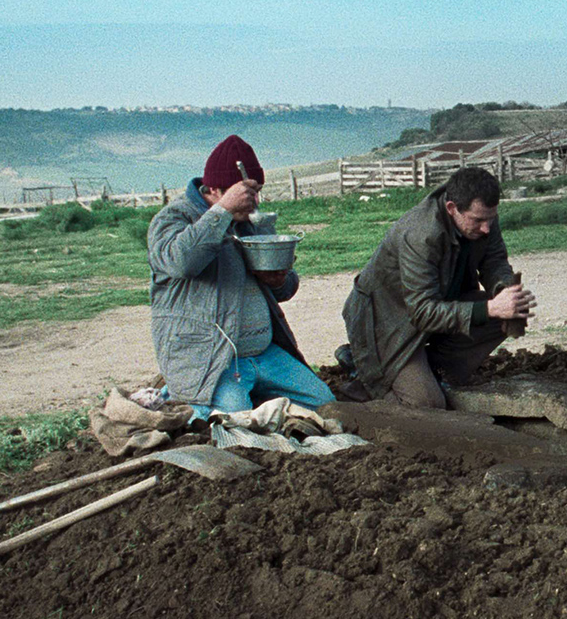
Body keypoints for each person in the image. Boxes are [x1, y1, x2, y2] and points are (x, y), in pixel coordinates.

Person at [147, 134, 334, 419]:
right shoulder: (173, 218)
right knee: (235, 420)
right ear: (216, 189)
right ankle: (180, 390)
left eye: (257, 191)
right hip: (213, 358)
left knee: (325, 405)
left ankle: (246, 392)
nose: (255, 201)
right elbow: (181, 262)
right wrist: (222, 212)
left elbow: (287, 285)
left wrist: (278, 281)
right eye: (248, 193)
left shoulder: (250, 220)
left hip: (264, 353)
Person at [339, 166, 536, 408]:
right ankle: (366, 371)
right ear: (452, 208)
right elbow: (422, 312)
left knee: (506, 315)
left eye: (491, 218)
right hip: (387, 321)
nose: (486, 228)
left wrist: (504, 292)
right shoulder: (421, 234)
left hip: (436, 303)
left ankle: (432, 370)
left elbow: (494, 260)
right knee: (427, 404)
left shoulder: (481, 216)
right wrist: (491, 308)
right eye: (478, 220)